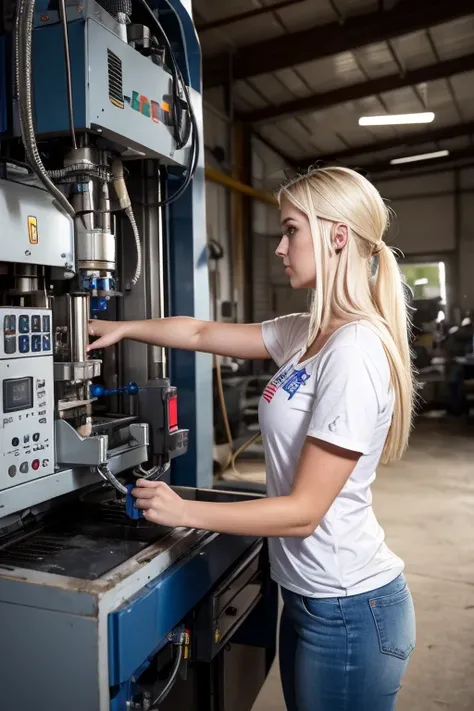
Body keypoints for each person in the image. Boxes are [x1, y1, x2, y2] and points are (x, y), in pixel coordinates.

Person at [88, 166, 416, 711]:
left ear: (337, 236)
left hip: (351, 610)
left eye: (290, 230)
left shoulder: (353, 351)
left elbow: (303, 512)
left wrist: (185, 510)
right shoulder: (308, 333)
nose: (279, 247)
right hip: (312, 598)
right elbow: (199, 333)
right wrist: (124, 327)